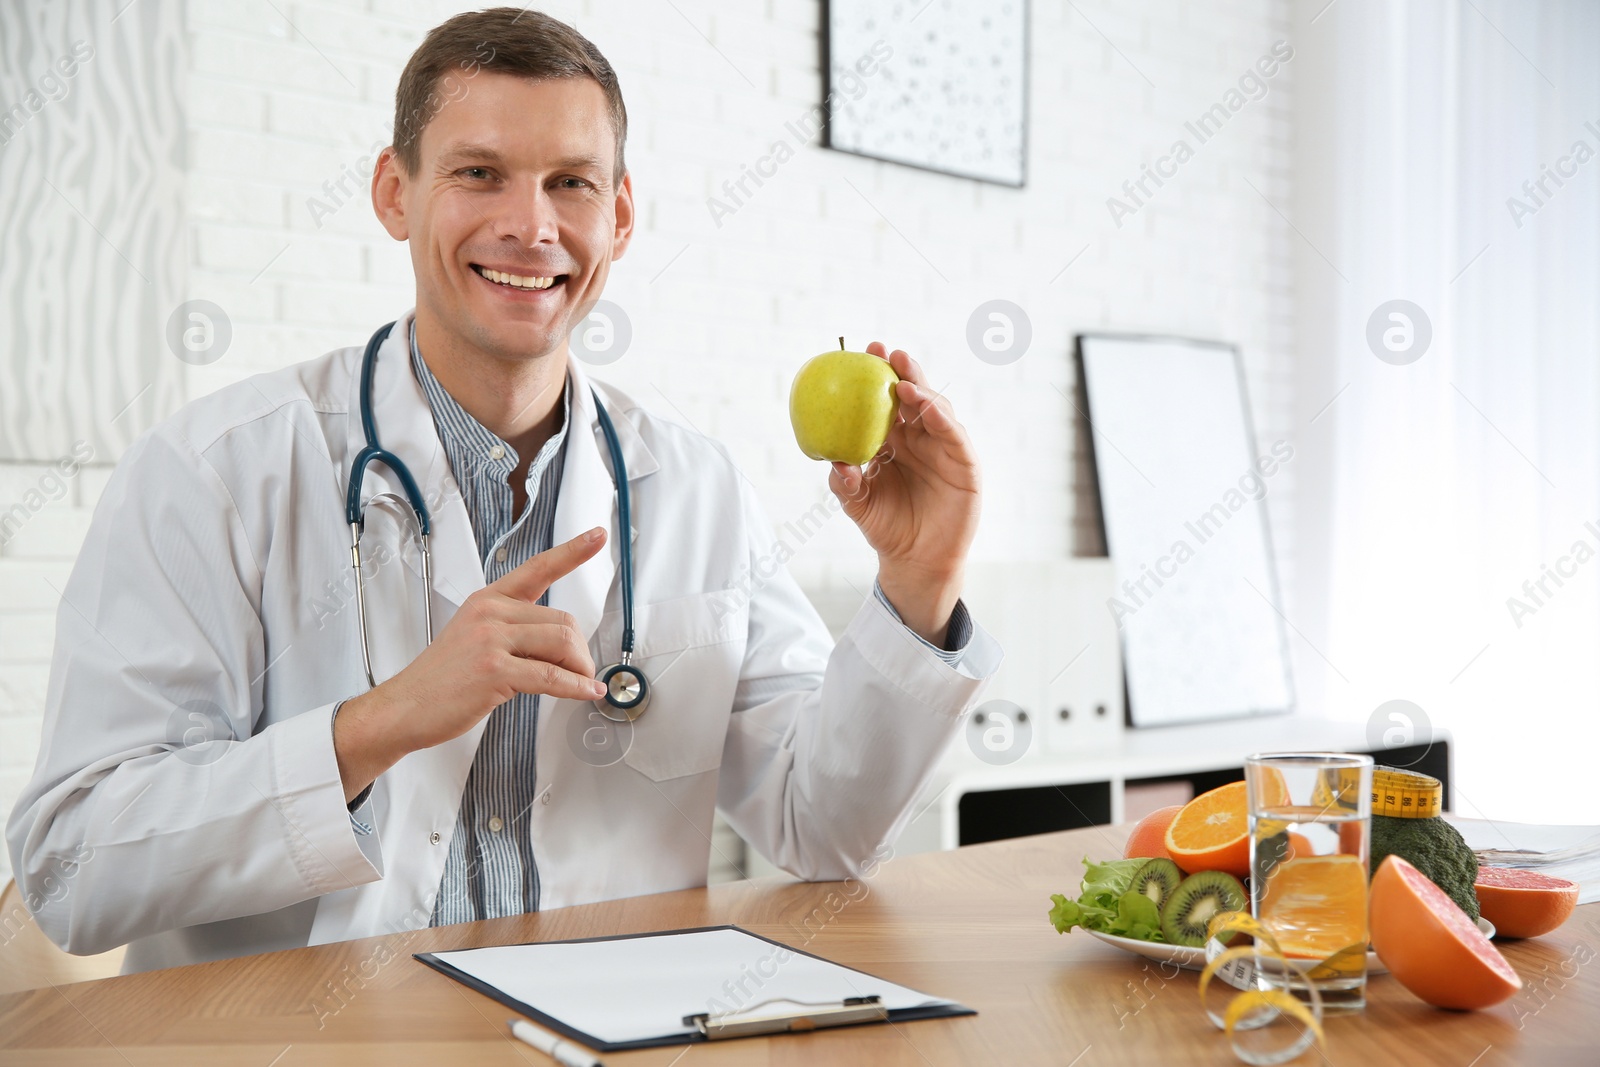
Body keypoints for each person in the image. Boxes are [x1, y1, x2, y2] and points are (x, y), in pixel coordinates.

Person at [5, 8, 1000, 972]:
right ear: (395, 193)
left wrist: (918, 584)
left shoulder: (694, 484)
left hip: (612, 1026)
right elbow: (72, 865)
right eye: (479, 173)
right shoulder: (215, 470)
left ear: (618, 216)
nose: (531, 226)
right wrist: (381, 722)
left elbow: (820, 825)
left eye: (569, 183)